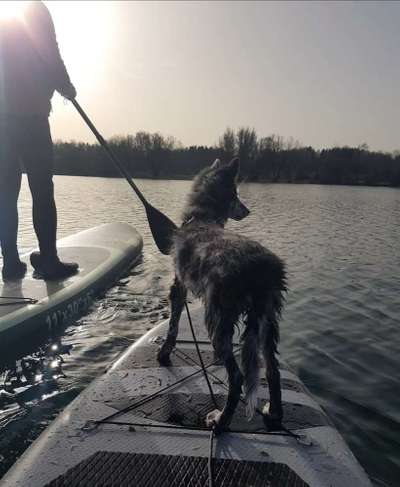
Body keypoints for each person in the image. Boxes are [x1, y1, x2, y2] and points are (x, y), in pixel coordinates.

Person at [0, 1, 79, 280]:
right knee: (42, 192)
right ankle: (48, 261)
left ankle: (10, 263)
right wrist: (66, 87)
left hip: (3, 122)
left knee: (6, 194)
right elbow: (49, 54)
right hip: (31, 118)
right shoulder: (35, 11)